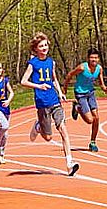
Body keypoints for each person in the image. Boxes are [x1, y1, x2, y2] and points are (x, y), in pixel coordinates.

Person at [21, 32, 80, 176]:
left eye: (46, 45)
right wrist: (38, 86)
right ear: (35, 48)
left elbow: (54, 79)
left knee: (63, 130)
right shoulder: (32, 63)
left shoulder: (51, 62)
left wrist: (60, 92)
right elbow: (23, 81)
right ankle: (38, 126)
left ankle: (69, 164)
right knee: (48, 138)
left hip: (54, 100)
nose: (44, 48)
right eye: (41, 46)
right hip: (42, 103)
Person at [62, 48, 107, 152]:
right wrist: (64, 88)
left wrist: (105, 89)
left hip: (91, 93)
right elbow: (70, 75)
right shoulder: (82, 68)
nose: (94, 59)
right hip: (80, 93)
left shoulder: (99, 69)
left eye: (96, 57)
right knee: (90, 120)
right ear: (88, 58)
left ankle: (93, 142)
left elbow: (101, 83)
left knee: (96, 118)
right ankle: (77, 107)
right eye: (92, 57)